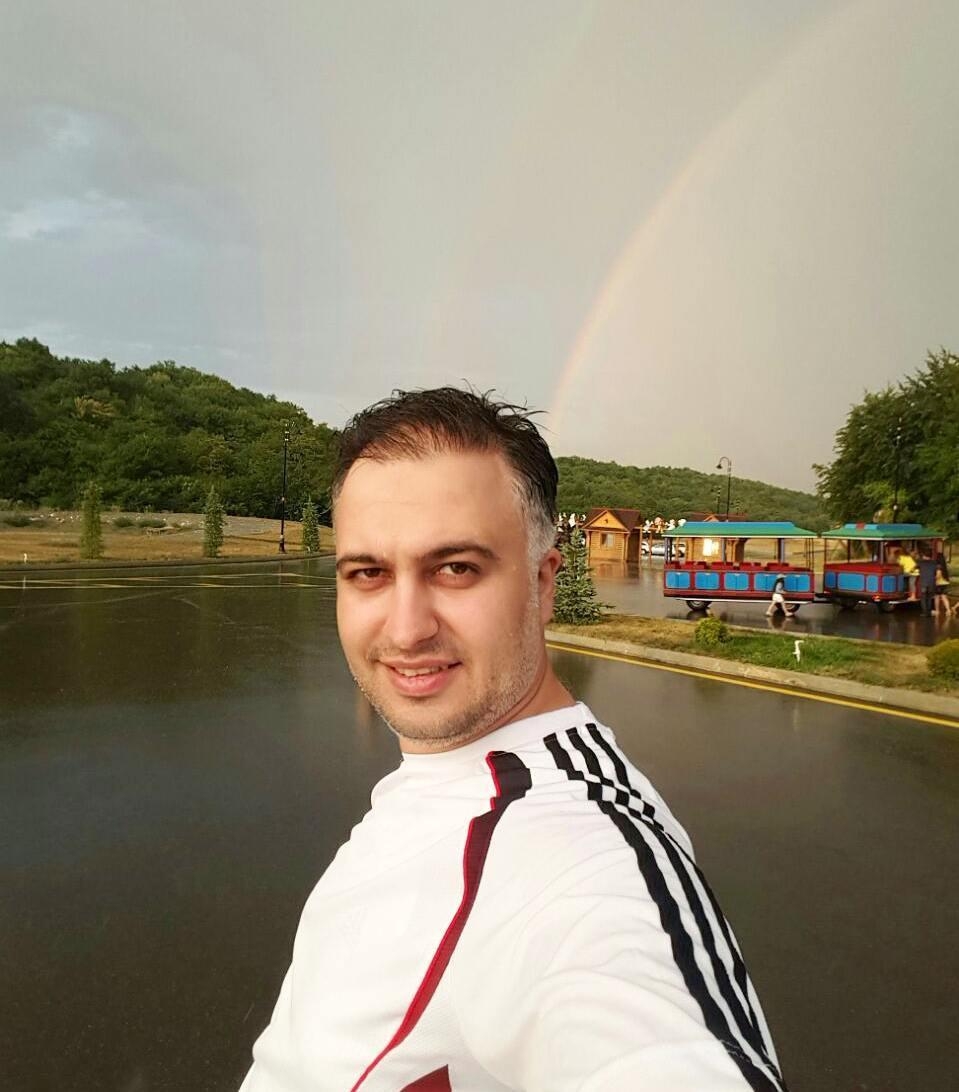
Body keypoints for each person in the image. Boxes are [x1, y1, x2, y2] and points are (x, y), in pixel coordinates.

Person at [240, 388, 786, 1092]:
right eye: (368, 573)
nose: (405, 629)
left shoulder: (582, 858)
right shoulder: (449, 777)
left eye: (455, 569)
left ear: (543, 582)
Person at [933, 551, 952, 616]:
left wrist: (934, 579)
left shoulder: (938, 565)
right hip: (945, 583)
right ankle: (948, 610)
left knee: (937, 597)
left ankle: (937, 611)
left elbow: (938, 575)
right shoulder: (944, 565)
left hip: (939, 584)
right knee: (944, 597)